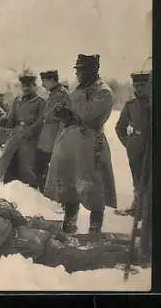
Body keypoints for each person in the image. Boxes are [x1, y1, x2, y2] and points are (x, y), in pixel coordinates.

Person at [0, 177, 133, 273]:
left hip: (29, 245)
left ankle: (132, 254)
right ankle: (125, 246)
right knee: (82, 251)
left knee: (82, 259)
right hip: (30, 237)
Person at [44, 54, 117, 234]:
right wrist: (65, 115)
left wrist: (74, 106)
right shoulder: (81, 89)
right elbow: (76, 114)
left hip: (90, 145)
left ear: (93, 71)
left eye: (82, 70)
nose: (78, 74)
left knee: (93, 188)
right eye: (77, 70)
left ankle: (94, 230)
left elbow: (86, 114)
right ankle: (69, 226)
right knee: (70, 188)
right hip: (71, 144)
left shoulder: (103, 91)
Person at [114, 71, 152, 265]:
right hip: (137, 153)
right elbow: (119, 127)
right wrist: (129, 143)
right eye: (136, 85)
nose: (138, 88)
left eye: (142, 85)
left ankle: (144, 215)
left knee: (149, 191)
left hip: (152, 153)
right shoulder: (130, 106)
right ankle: (139, 205)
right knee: (139, 184)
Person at [0, 74, 46, 189]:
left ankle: (31, 189)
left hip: (30, 138)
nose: (25, 88)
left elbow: (41, 121)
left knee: (27, 164)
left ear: (34, 86)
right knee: (7, 158)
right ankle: (5, 185)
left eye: (29, 86)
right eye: (23, 86)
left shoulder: (40, 102)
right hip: (15, 135)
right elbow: (11, 119)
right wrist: (5, 123)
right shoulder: (17, 101)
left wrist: (30, 131)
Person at [35, 70, 71, 192]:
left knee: (54, 167)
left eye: (44, 81)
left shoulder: (62, 94)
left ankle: (53, 194)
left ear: (51, 80)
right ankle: (45, 192)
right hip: (47, 136)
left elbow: (65, 115)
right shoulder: (52, 93)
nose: (43, 84)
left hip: (55, 134)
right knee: (42, 165)